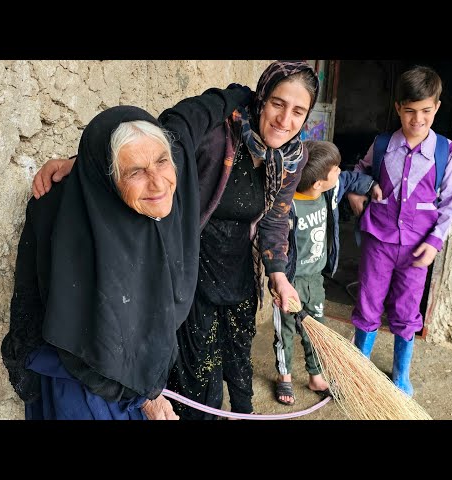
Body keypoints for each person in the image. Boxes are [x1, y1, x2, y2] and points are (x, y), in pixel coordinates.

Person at [31, 61, 320, 419]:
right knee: (198, 382)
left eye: (298, 111)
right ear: (261, 99)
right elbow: (155, 145)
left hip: (239, 276)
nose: (285, 120)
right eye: (278, 103)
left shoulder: (292, 158)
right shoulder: (218, 138)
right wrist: (83, 164)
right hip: (192, 273)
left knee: (239, 371)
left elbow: (275, 218)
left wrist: (278, 274)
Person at [0, 83, 252, 419]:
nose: (158, 183)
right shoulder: (85, 239)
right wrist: (146, 397)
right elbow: (95, 346)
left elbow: (192, 115)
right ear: (105, 176)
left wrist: (244, 94)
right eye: (135, 172)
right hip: (84, 383)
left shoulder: (169, 166)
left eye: (163, 161)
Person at [346, 65, 452, 397]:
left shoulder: (446, 153)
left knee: (407, 310)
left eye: (426, 110)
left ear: (437, 107)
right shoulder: (382, 145)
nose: (417, 119)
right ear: (398, 107)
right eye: (409, 110)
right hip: (378, 242)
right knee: (368, 303)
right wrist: (356, 192)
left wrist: (436, 242)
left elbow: (450, 203)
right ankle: (359, 368)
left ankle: (400, 374)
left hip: (417, 249)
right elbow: (360, 171)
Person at [273, 140, 376, 405]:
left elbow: (352, 178)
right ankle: (284, 377)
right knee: (285, 330)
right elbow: (274, 245)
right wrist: (277, 281)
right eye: (335, 169)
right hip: (290, 280)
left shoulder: (330, 190)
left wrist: (370, 186)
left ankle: (315, 375)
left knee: (317, 327)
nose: (340, 171)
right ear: (318, 182)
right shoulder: (287, 207)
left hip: (315, 278)